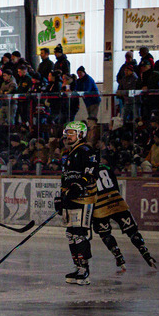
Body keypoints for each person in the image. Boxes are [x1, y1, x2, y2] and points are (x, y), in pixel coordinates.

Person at [54, 120, 99, 285]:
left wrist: (80, 184)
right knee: (71, 234)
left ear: (81, 134)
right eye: (67, 133)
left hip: (84, 198)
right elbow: (66, 178)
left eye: (71, 133)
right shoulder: (68, 153)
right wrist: (61, 197)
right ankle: (77, 266)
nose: (68, 136)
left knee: (80, 234)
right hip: (70, 198)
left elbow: (92, 171)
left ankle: (84, 269)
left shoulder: (86, 150)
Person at [91, 161, 156, 272]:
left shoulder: (84, 171)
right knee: (132, 231)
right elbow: (115, 185)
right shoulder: (106, 166)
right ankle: (145, 252)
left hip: (100, 204)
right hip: (116, 200)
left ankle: (118, 256)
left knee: (105, 233)